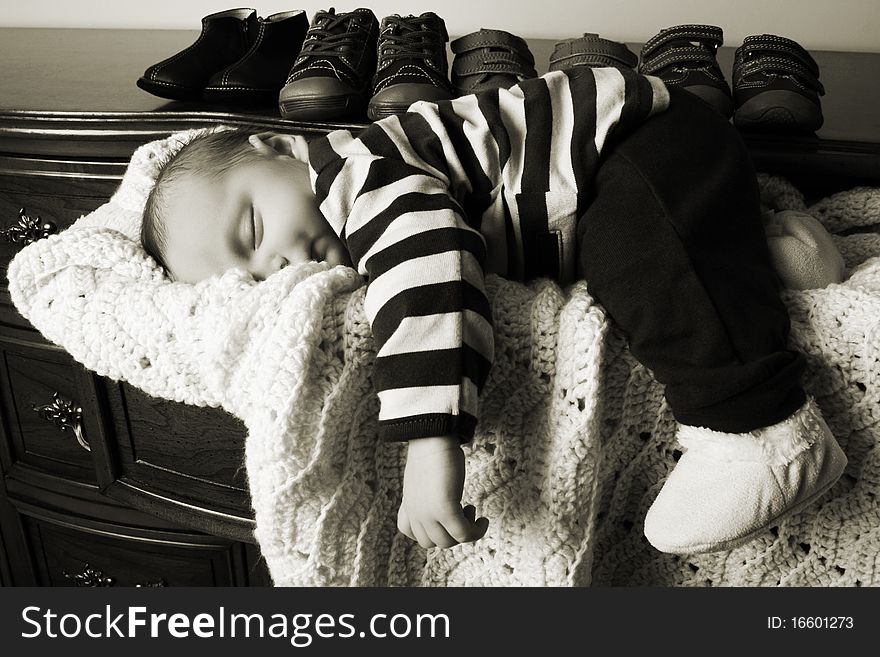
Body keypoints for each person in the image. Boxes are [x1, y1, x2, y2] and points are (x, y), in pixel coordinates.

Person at [141, 66, 847, 556]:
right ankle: (776, 251)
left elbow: (430, 275)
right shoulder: (329, 205)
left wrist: (430, 443)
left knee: (634, 249)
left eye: (254, 232)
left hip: (635, 140)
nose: (282, 267)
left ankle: (761, 428)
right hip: (655, 172)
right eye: (255, 277)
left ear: (277, 146)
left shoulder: (359, 176)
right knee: (644, 263)